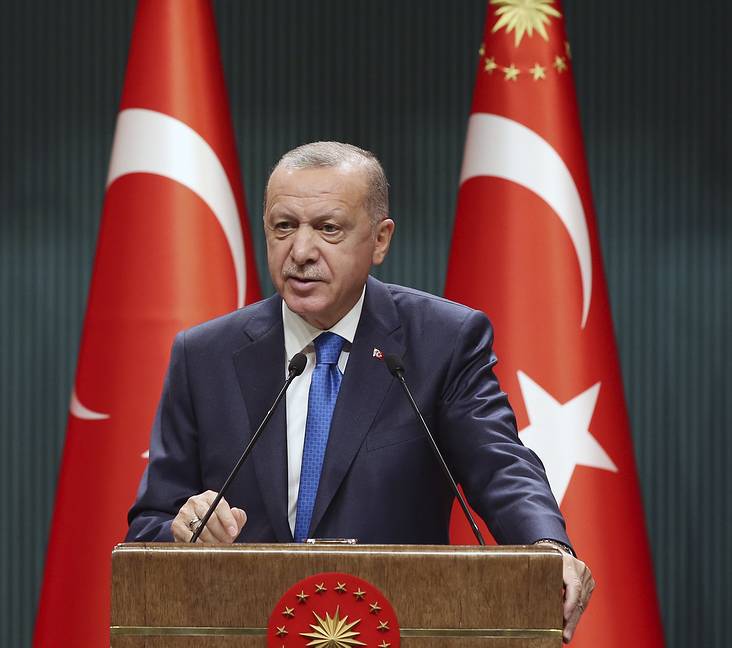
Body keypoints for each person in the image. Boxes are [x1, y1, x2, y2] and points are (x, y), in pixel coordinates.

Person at [126, 142, 594, 642]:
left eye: (328, 228)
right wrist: (183, 528)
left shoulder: (441, 342)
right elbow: (149, 523)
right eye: (283, 227)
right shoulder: (205, 355)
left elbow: (500, 464)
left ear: (379, 239)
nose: (301, 251)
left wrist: (549, 548)